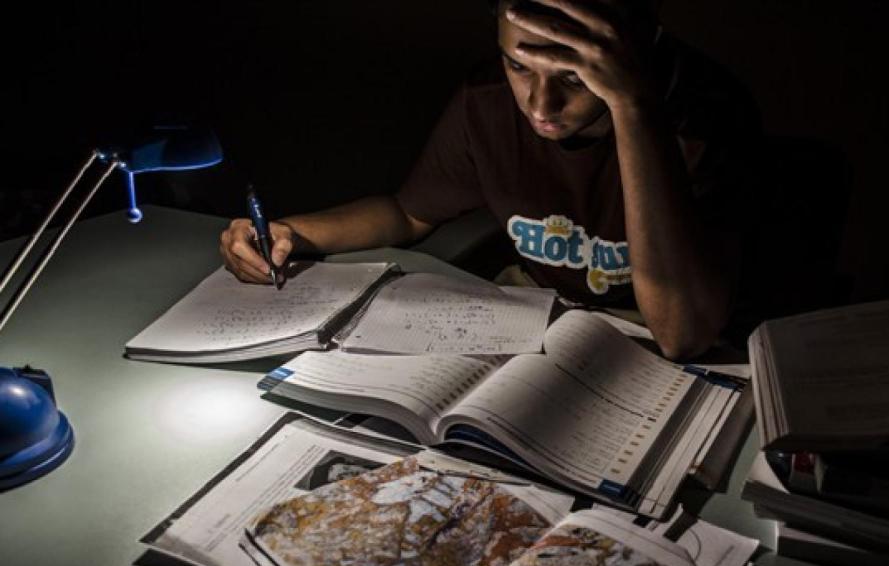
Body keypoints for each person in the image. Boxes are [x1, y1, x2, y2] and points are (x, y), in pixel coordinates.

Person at [219, 0, 759, 359]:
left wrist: (633, 109)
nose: (539, 105)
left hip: (663, 346)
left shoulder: (702, 117)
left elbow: (681, 334)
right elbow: (409, 213)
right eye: (519, 66)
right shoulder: (488, 103)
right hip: (543, 332)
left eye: (573, 76)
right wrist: (291, 231)